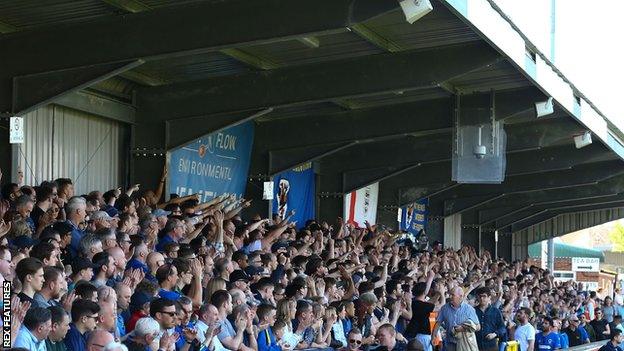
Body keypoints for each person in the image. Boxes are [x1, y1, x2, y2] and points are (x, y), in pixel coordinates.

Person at [436, 286, 480, 351]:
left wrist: (463, 328)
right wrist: (433, 336)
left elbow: (478, 327)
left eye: (452, 295)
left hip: (464, 344)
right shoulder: (444, 308)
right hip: (449, 344)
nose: (450, 297)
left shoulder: (469, 309)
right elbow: (438, 322)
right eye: (450, 294)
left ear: (461, 296)